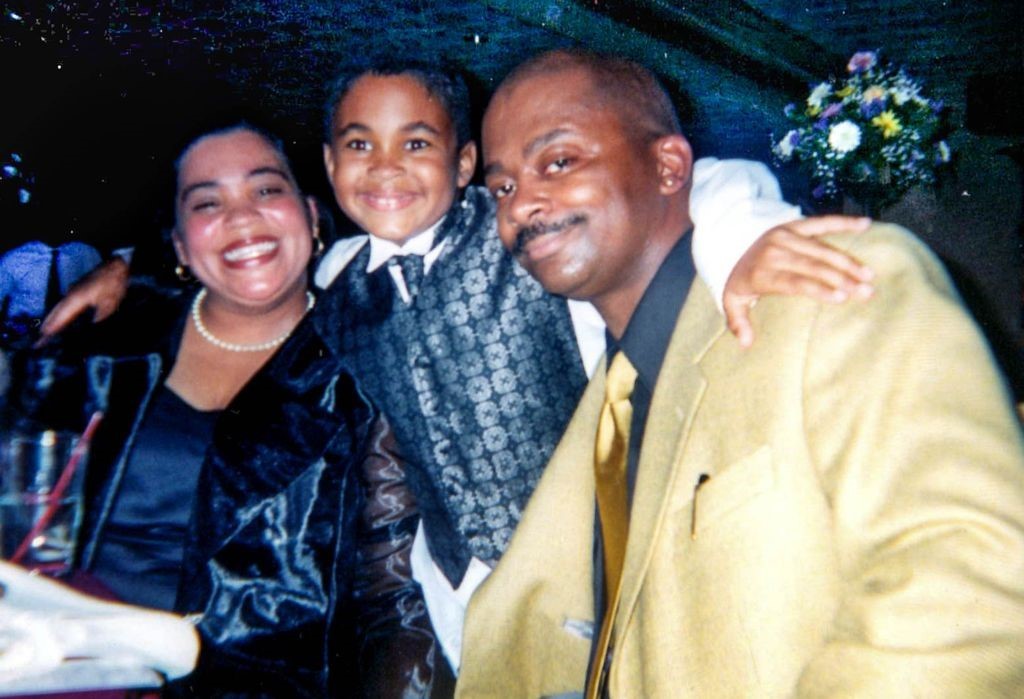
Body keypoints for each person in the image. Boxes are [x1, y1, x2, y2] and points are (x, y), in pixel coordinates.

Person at [38, 62, 871, 689]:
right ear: (330, 171)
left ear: (466, 163)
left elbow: (692, 181)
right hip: (462, 594)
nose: (388, 167)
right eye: (361, 145)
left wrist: (746, 231)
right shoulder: (340, 283)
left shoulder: (523, 231)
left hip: (602, 549)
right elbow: (240, 254)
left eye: (419, 144)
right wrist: (132, 267)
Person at [456, 49, 1024, 698]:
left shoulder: (832, 285)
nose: (522, 201)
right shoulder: (605, 390)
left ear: (670, 166)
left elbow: (970, 581)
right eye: (501, 186)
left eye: (559, 161)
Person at [7, 123, 431, 696]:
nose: (240, 216)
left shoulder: (366, 368)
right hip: (50, 659)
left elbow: (394, 591)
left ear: (311, 215)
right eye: (207, 202)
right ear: (180, 243)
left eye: (265, 190)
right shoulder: (103, 345)